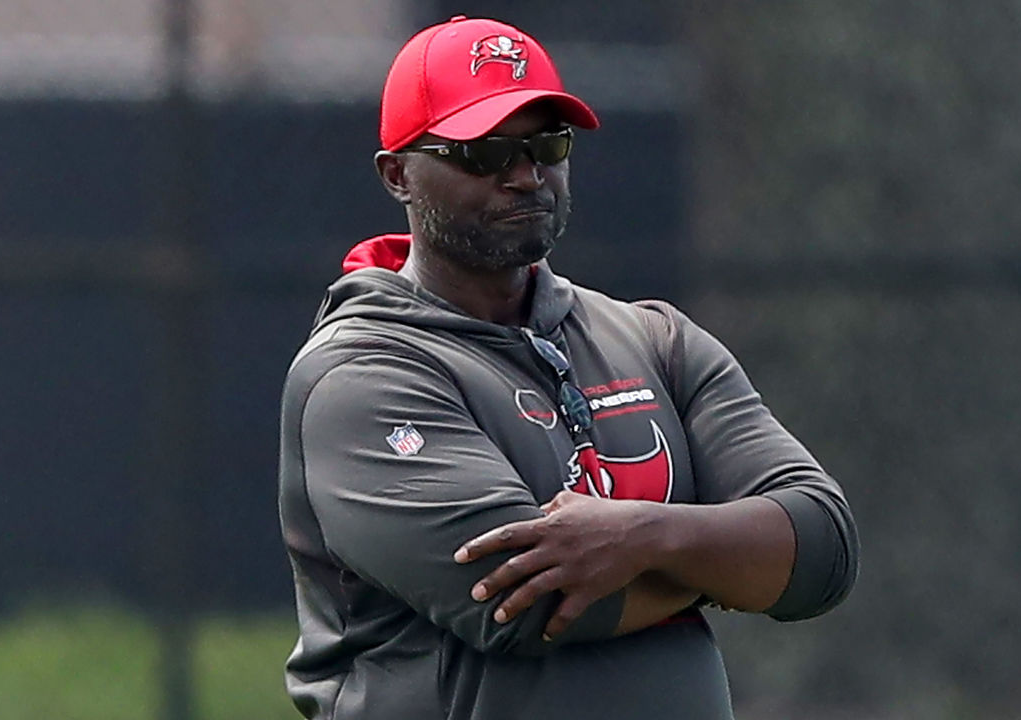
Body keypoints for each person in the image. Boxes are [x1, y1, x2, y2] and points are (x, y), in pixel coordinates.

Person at [278, 15, 858, 720]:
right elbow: (525, 604)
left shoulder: (656, 338)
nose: (524, 176)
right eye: (484, 152)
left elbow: (824, 549)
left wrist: (642, 537)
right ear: (399, 174)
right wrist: (738, 563)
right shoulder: (361, 375)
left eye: (546, 144)